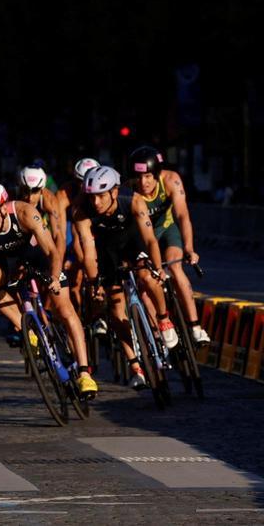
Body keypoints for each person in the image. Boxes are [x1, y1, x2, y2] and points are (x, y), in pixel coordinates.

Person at [0, 181, 98, 397]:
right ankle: (28, 331)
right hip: (4, 262)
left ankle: (84, 373)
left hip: (36, 256)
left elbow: (53, 252)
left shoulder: (25, 212)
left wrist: (54, 278)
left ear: (2, 208)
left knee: (64, 309)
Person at [73, 166, 177, 390]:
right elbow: (89, 252)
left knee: (147, 278)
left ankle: (163, 318)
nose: (96, 203)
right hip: (107, 251)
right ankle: (136, 366)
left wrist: (157, 268)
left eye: (101, 196)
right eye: (92, 197)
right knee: (115, 311)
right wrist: (94, 283)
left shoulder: (134, 201)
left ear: (114, 192)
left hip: (134, 242)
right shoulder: (81, 212)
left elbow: (150, 240)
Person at [127, 146, 211, 346]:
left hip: (166, 229)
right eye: (138, 177)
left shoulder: (171, 180)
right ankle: (157, 331)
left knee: (175, 266)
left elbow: (182, 215)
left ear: (156, 174)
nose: (143, 182)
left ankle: (195, 327)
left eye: (148, 176)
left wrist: (189, 248)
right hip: (143, 237)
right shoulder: (128, 190)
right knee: (144, 282)